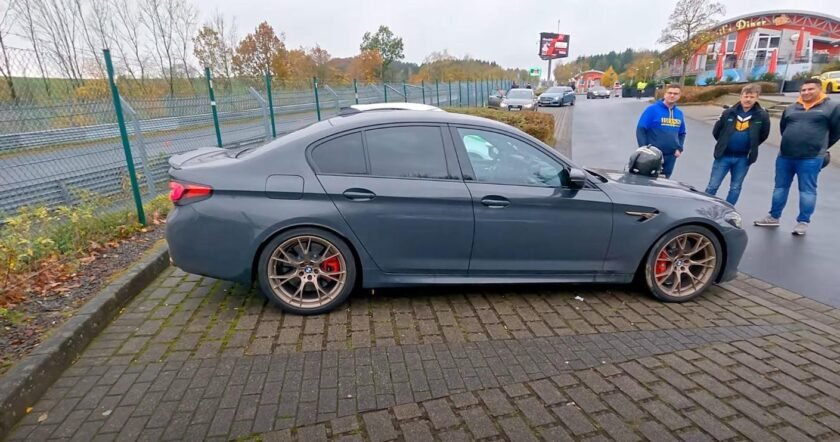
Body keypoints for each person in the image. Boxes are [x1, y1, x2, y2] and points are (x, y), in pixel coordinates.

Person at [754, 78, 840, 236]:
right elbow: (783, 128)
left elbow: (836, 131)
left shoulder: (832, 107)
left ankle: (803, 222)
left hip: (811, 158)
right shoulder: (792, 108)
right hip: (785, 156)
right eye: (803, 90)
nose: (806, 92)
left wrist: (820, 147)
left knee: (807, 191)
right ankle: (773, 216)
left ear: (819, 90)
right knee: (780, 187)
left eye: (810, 89)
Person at [704, 84, 770, 205]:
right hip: (724, 156)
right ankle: (705, 208)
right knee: (712, 185)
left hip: (743, 158)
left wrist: (751, 145)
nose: (748, 99)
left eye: (752, 96)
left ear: (757, 98)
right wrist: (724, 143)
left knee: (735, 187)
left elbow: (764, 134)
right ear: (741, 96)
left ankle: (728, 211)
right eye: (746, 96)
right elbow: (717, 131)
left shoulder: (762, 115)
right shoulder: (729, 112)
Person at [636, 84, 686, 178]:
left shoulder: (679, 113)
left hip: (670, 156)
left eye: (675, 94)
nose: (672, 95)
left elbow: (682, 133)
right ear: (664, 94)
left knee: (664, 183)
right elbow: (641, 129)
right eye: (669, 93)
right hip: (652, 156)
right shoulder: (652, 110)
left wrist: (679, 148)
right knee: (647, 181)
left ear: (679, 96)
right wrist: (644, 150)